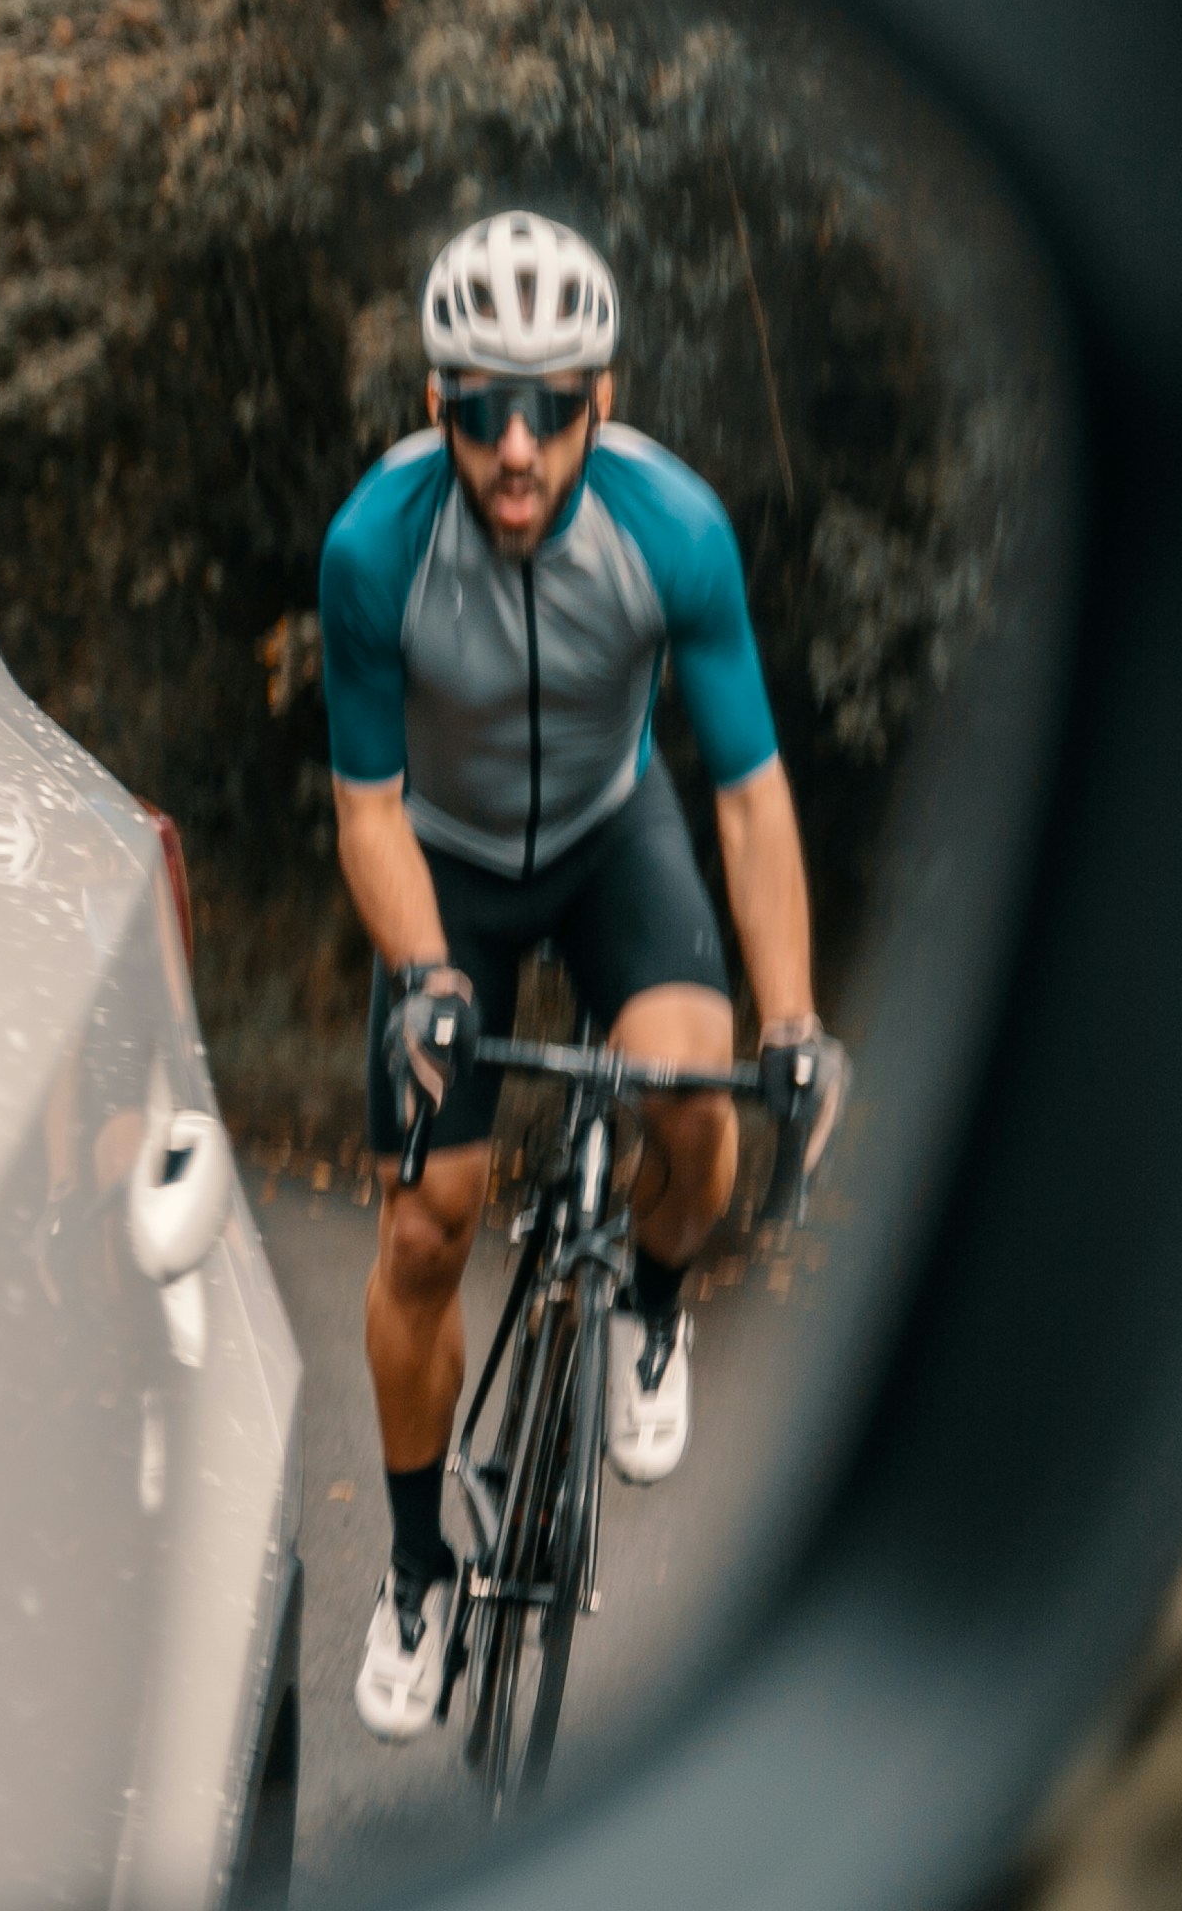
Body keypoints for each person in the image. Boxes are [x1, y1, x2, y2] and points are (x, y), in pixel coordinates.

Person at [322, 210, 825, 1743]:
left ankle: (650, 1302)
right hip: (448, 870)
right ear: (438, 409)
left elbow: (746, 794)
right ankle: (417, 1572)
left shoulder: (673, 530)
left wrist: (793, 1019)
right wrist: (423, 975)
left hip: (616, 839)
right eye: (483, 407)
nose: (518, 445)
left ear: (602, 400)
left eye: (550, 405)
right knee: (430, 1226)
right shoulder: (373, 548)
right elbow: (361, 805)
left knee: (701, 1113)